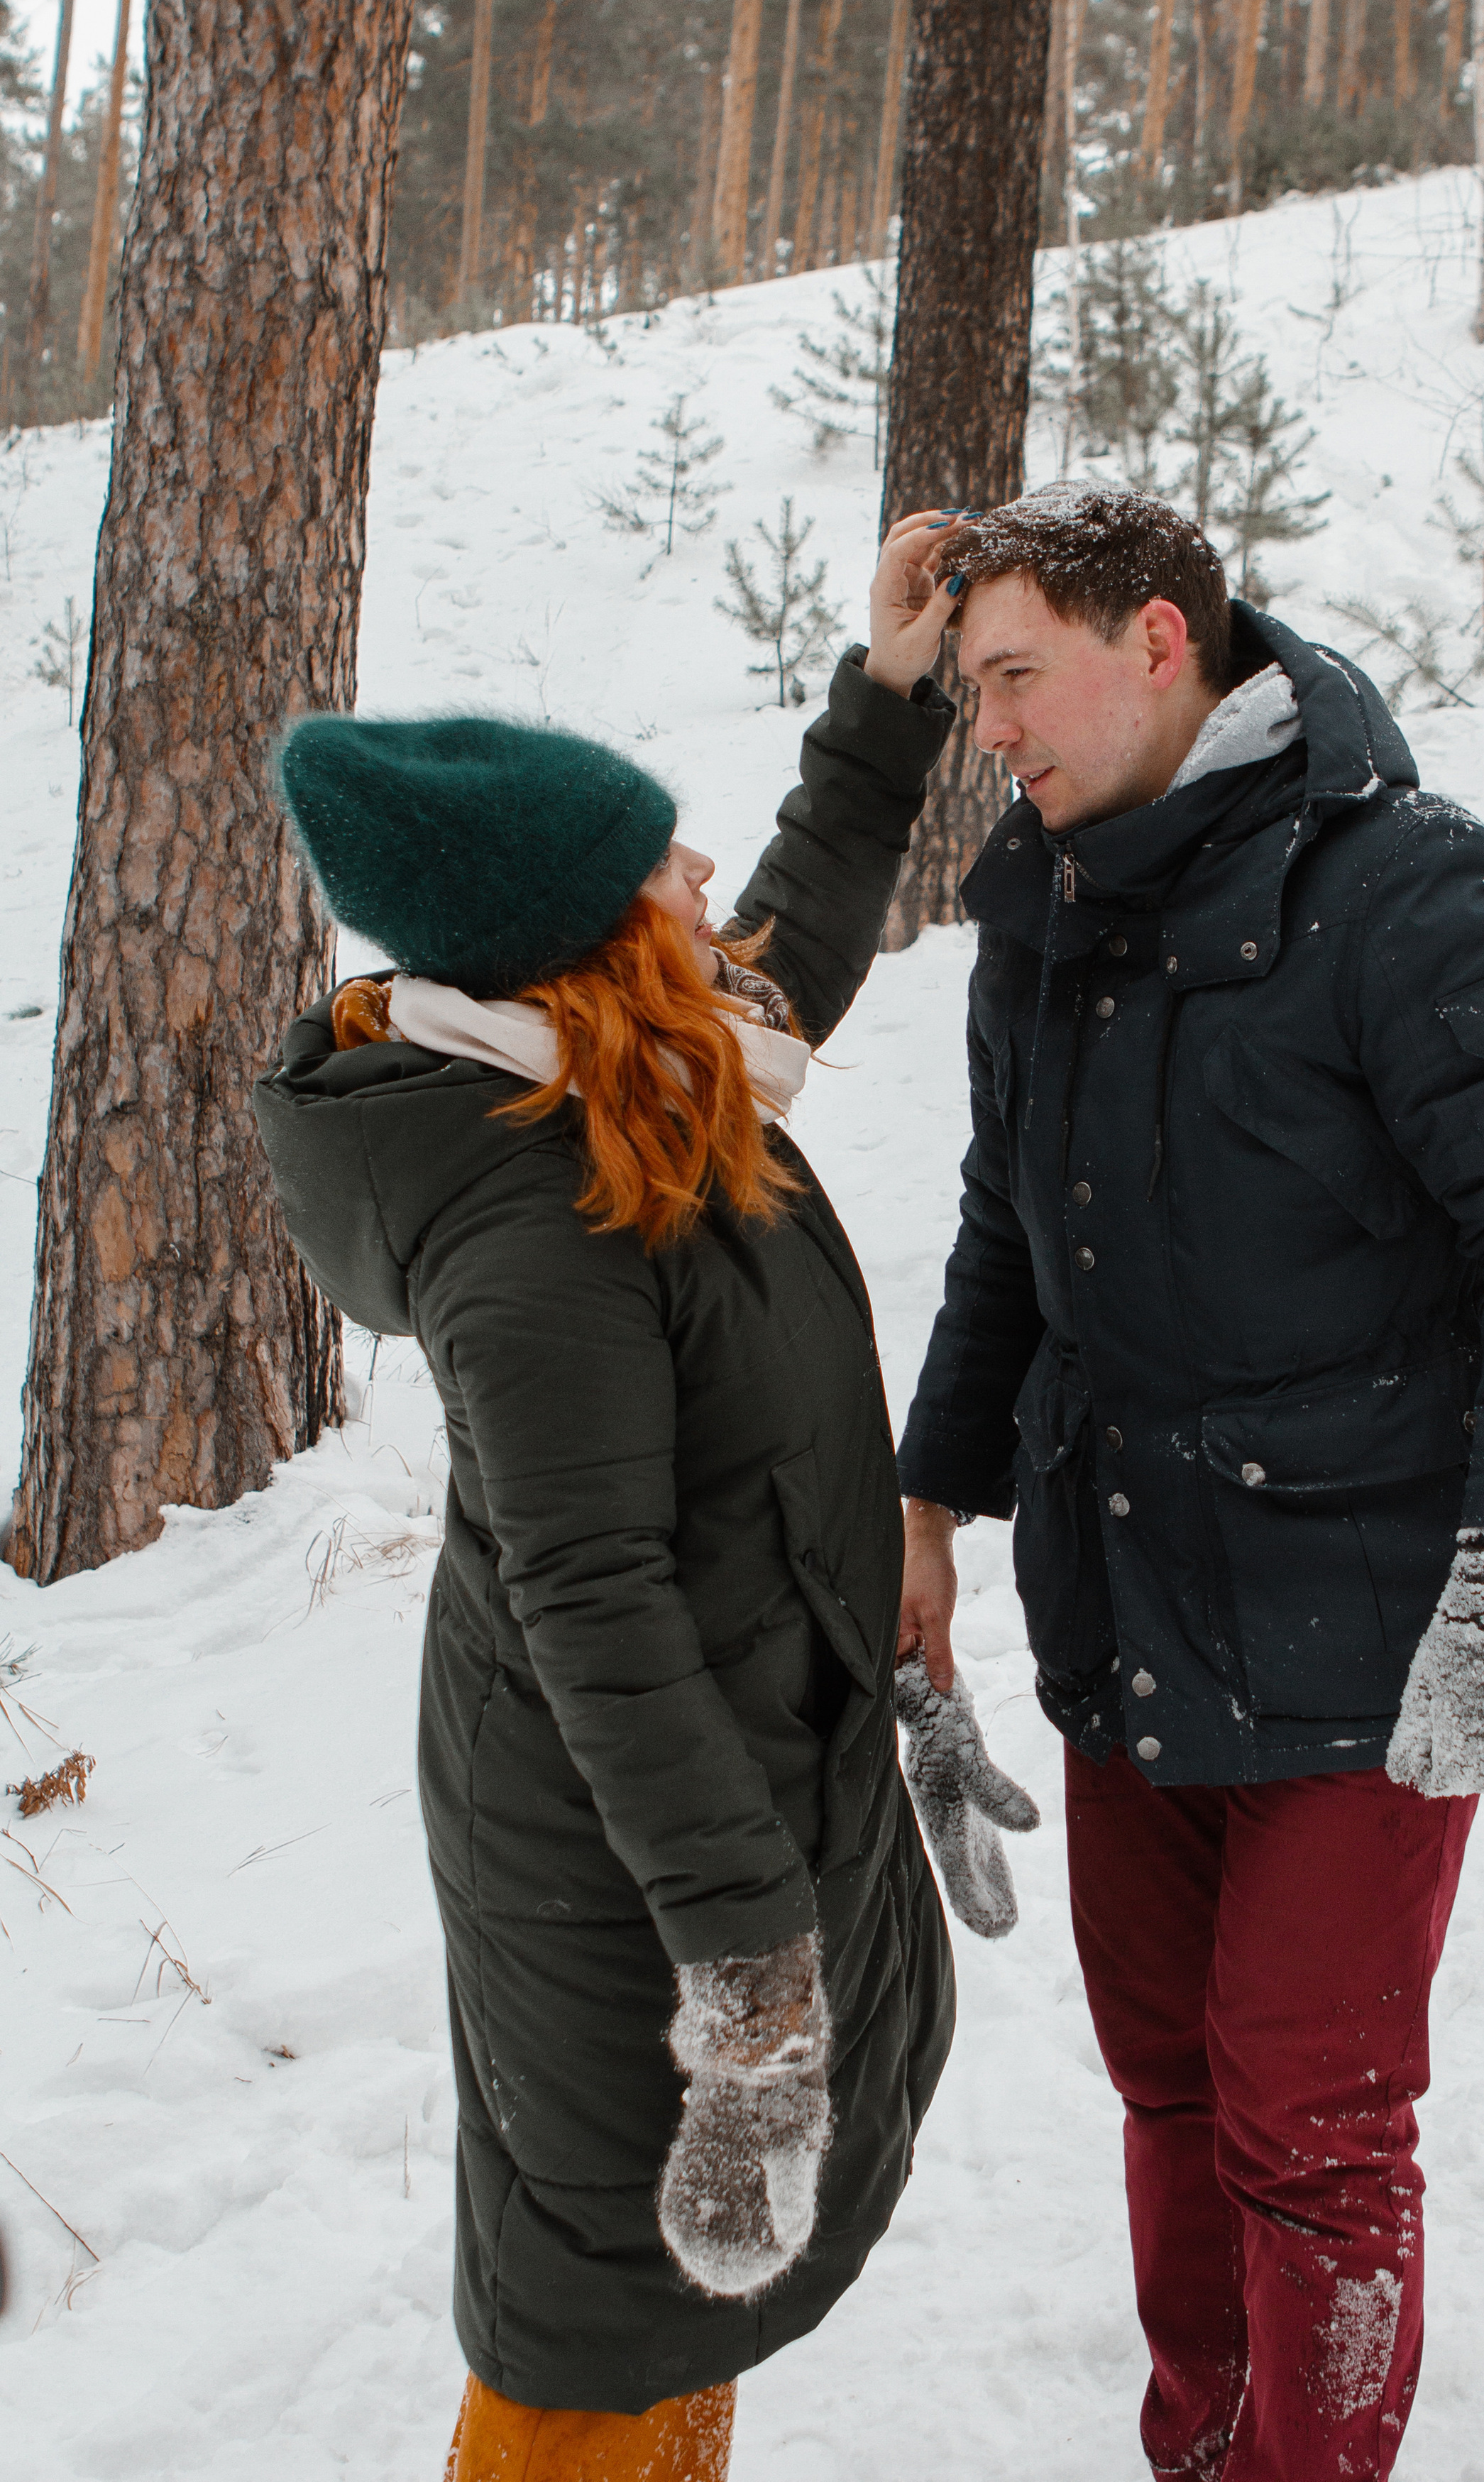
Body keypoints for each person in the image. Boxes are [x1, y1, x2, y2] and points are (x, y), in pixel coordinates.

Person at [254, 515, 1037, 2482]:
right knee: (595, 2317)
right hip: (622, 1857)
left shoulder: (636, 1068)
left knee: (694, 2287)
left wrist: (890, 694)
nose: (701, 881)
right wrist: (752, 1985)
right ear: (592, 942)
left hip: (732, 1780)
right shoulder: (533, 1230)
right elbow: (593, 1617)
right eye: (660, 865)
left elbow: (799, 940)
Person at [891, 483, 1484, 2482]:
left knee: (1311, 2115)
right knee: (1168, 2084)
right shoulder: (1042, 913)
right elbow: (1003, 1234)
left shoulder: (1409, 891)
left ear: (1159, 641)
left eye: (1015, 677)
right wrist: (928, 1508)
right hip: (1127, 1596)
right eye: (970, 694)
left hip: (1362, 1632)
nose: (992, 729)